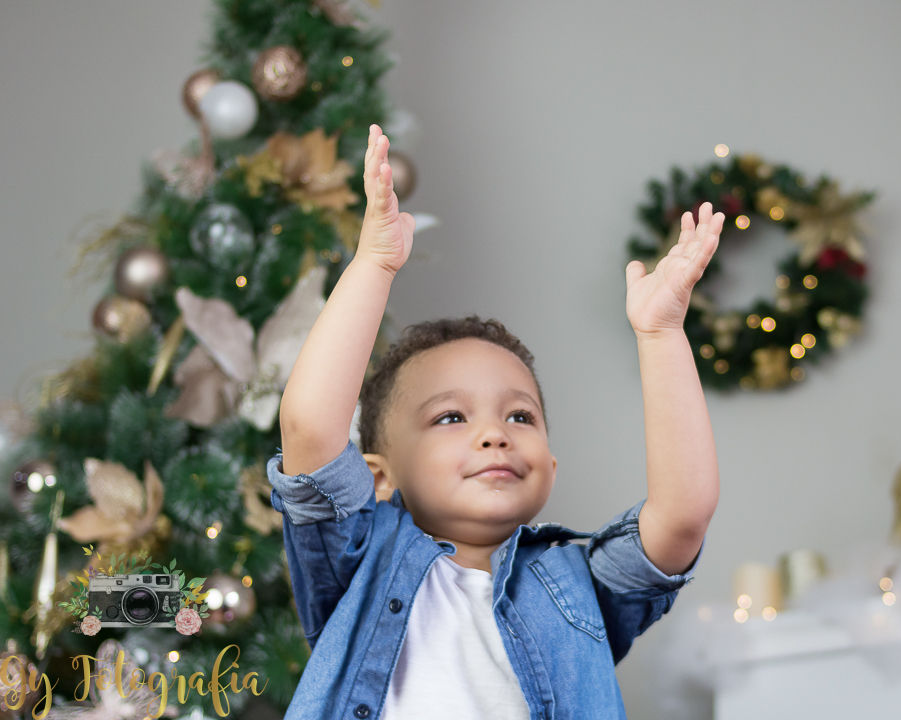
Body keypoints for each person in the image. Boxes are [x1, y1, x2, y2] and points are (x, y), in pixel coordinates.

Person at [266, 124, 724, 719]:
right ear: (377, 475)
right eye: (451, 416)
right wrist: (375, 264)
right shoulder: (358, 559)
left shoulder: (579, 585)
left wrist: (660, 333)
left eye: (520, 415)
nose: (495, 433)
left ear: (550, 466)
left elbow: (684, 514)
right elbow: (308, 429)